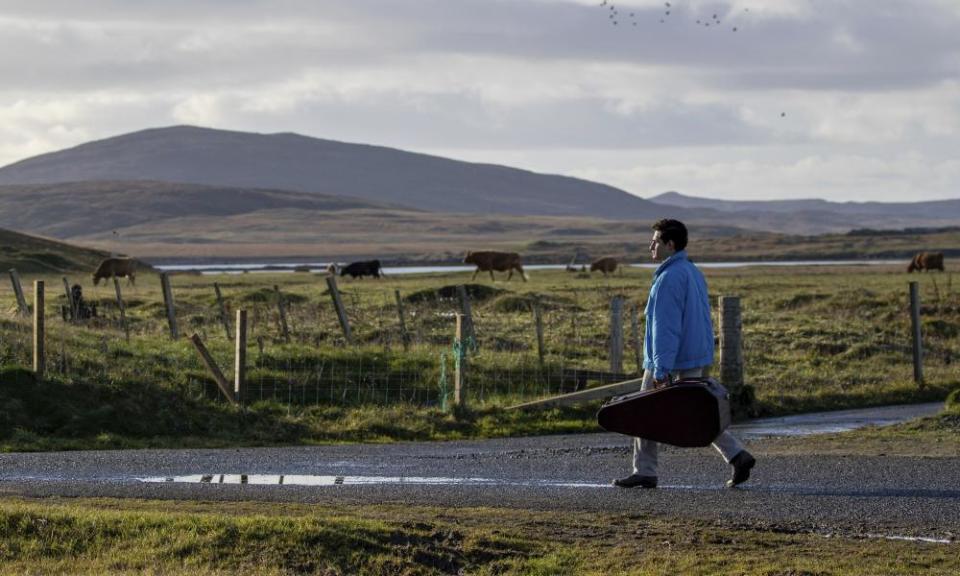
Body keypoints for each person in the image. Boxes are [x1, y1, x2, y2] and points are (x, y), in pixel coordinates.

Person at [614, 219, 755, 489]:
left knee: (645, 412)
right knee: (694, 412)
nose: (651, 245)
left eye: (656, 241)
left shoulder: (668, 278)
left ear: (670, 244)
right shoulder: (691, 271)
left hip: (671, 359)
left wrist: (661, 368)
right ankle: (737, 455)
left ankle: (645, 471)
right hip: (693, 355)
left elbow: (666, 327)